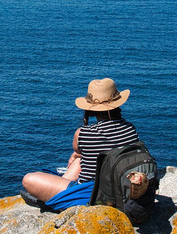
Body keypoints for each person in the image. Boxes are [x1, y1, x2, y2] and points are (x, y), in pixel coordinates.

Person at [21, 78, 148, 210]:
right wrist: (77, 156)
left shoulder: (82, 133)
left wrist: (76, 155)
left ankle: (60, 198)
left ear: (90, 108)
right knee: (79, 159)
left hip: (92, 194)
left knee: (28, 179)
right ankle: (61, 189)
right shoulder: (130, 128)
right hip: (120, 187)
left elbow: (77, 149)